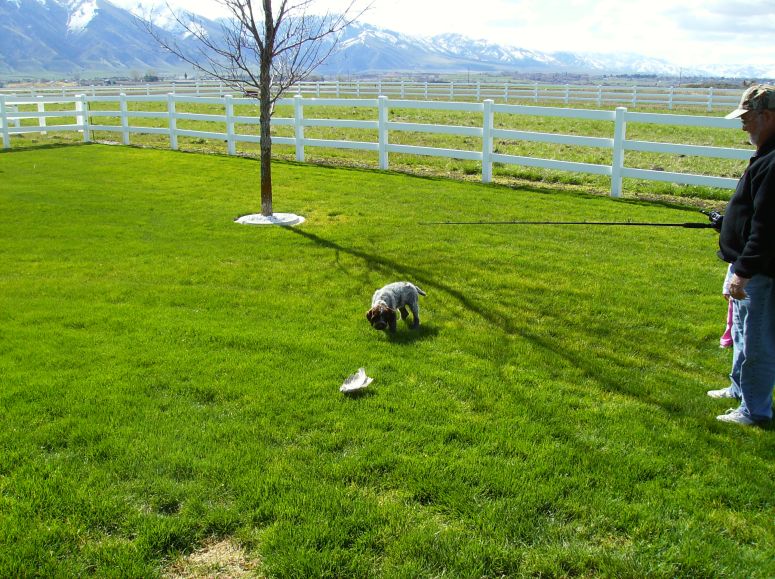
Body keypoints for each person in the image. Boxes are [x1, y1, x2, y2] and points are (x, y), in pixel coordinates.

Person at [708, 84, 775, 426]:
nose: (743, 125)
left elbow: (767, 228)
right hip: (746, 264)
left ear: (767, 116)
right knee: (740, 331)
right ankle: (739, 390)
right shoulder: (765, 154)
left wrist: (743, 271)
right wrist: (728, 227)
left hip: (759, 272)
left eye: (747, 118)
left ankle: (755, 411)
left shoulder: (774, 161)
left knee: (757, 342)